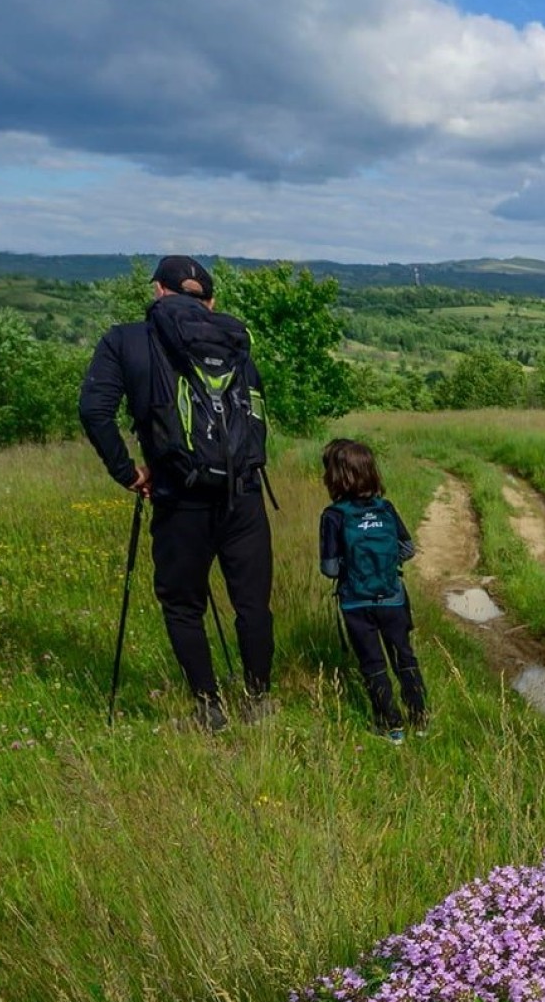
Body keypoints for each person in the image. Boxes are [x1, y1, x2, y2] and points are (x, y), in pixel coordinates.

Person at [79, 255, 275, 732]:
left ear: (159, 292)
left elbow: (94, 410)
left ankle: (209, 709)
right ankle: (258, 701)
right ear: (210, 299)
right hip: (242, 492)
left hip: (178, 494)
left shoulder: (125, 340)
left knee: (183, 605)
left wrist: (129, 473)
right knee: (251, 603)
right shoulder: (233, 339)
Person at [319, 438, 427, 742]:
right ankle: (419, 720)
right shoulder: (386, 508)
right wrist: (384, 562)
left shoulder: (333, 516)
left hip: (356, 603)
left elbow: (329, 569)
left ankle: (390, 726)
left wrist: (351, 566)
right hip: (393, 597)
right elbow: (408, 549)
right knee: (403, 656)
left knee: (373, 664)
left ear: (336, 476)